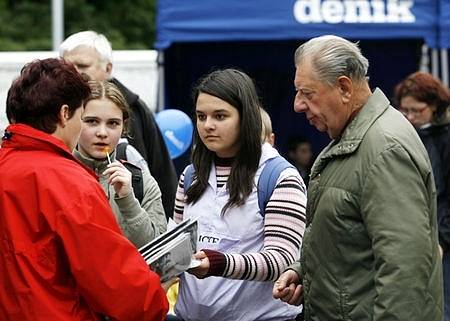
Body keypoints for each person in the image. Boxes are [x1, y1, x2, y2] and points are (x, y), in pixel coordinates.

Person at [273, 35, 443, 320]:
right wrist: (304, 271)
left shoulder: (384, 148)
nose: (297, 105)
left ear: (344, 87)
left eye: (307, 93)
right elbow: (351, 238)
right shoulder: (356, 138)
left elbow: (404, 268)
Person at [0, 58, 168, 320]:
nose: (99, 132)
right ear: (65, 114)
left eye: (113, 123)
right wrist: (156, 300)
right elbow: (113, 279)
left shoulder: (7, 166)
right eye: (85, 118)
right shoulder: (70, 182)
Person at [173, 68, 306, 321]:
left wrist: (218, 263)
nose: (208, 125)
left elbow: (281, 260)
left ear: (246, 118)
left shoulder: (279, 176)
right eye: (201, 116)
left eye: (220, 116)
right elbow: (178, 249)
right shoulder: (191, 175)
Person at [59, 30, 178, 219]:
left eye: (82, 65)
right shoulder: (55, 109)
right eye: (66, 66)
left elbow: (160, 178)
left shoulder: (134, 110)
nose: (72, 73)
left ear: (108, 68)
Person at [74, 80, 167, 248]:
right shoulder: (56, 175)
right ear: (74, 122)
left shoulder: (141, 181)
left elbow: (159, 253)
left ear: (124, 127)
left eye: (113, 123)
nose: (102, 133)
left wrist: (128, 200)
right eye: (92, 121)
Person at [394, 71, 450, 321]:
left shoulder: (445, 137)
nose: (410, 117)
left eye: (417, 110)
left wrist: (443, 240)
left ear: (435, 105)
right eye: (405, 110)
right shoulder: (410, 133)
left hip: (443, 241)